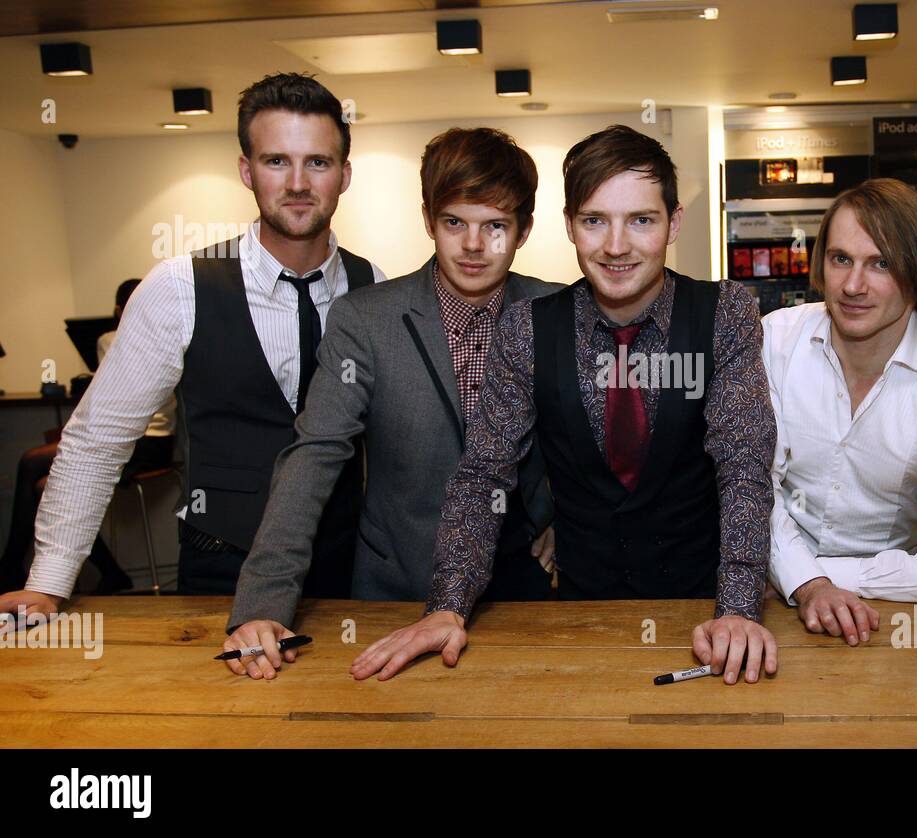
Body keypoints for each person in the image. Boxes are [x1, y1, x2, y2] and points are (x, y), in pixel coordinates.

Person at [350, 125, 779, 685]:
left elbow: (744, 467)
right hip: (580, 620)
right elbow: (484, 475)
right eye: (595, 221)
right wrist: (448, 605)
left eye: (641, 220)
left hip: (702, 617)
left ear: (674, 223)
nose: (617, 245)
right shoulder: (527, 328)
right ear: (570, 226)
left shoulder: (725, 313)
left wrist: (740, 609)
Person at [0, 72, 383, 620]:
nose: (297, 182)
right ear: (246, 170)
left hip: (345, 574)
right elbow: (97, 440)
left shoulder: (376, 288)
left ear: (343, 176)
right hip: (219, 571)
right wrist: (49, 583)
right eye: (277, 161)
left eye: (317, 162)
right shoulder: (180, 287)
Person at [223, 128, 561, 679]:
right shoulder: (366, 320)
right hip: (396, 593)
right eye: (455, 222)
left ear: (522, 231)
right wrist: (262, 606)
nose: (473, 245)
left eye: (494, 226)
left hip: (520, 594)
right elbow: (314, 456)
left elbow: (605, 443)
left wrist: (563, 523)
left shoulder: (555, 311)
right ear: (428, 220)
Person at [765, 179, 917, 645]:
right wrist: (806, 583)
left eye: (881, 264)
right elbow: (754, 487)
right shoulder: (774, 341)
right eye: (841, 260)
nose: (854, 285)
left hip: (886, 614)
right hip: (763, 604)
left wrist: (815, 580)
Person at [0, 279, 176, 593]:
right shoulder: (170, 330)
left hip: (141, 440)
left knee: (35, 469)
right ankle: (103, 571)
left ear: (119, 310)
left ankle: (12, 567)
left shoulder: (112, 337)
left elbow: (114, 399)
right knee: (41, 477)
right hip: (159, 441)